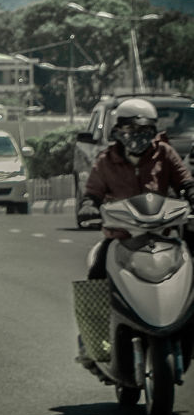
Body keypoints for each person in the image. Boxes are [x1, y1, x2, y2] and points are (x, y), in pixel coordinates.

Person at [78, 97, 194, 279]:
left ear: (154, 131)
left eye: (144, 129)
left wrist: (191, 193)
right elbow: (93, 192)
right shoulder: (105, 160)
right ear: (117, 131)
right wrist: (89, 206)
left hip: (162, 232)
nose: (137, 134)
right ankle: (92, 309)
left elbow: (185, 181)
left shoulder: (164, 153)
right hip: (122, 236)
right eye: (130, 128)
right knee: (97, 269)